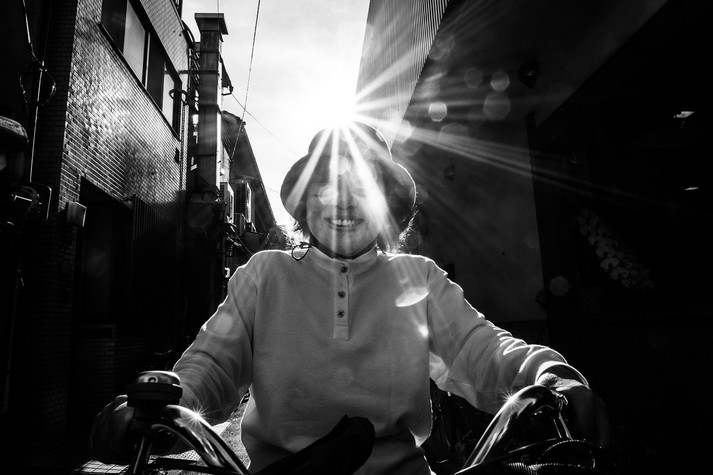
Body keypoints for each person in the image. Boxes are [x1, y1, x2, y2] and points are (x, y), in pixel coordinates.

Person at [90, 121, 609, 474]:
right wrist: (168, 406)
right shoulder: (264, 275)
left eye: (362, 186)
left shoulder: (418, 278)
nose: (342, 201)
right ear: (305, 203)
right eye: (326, 185)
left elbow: (483, 349)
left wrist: (549, 374)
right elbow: (212, 363)